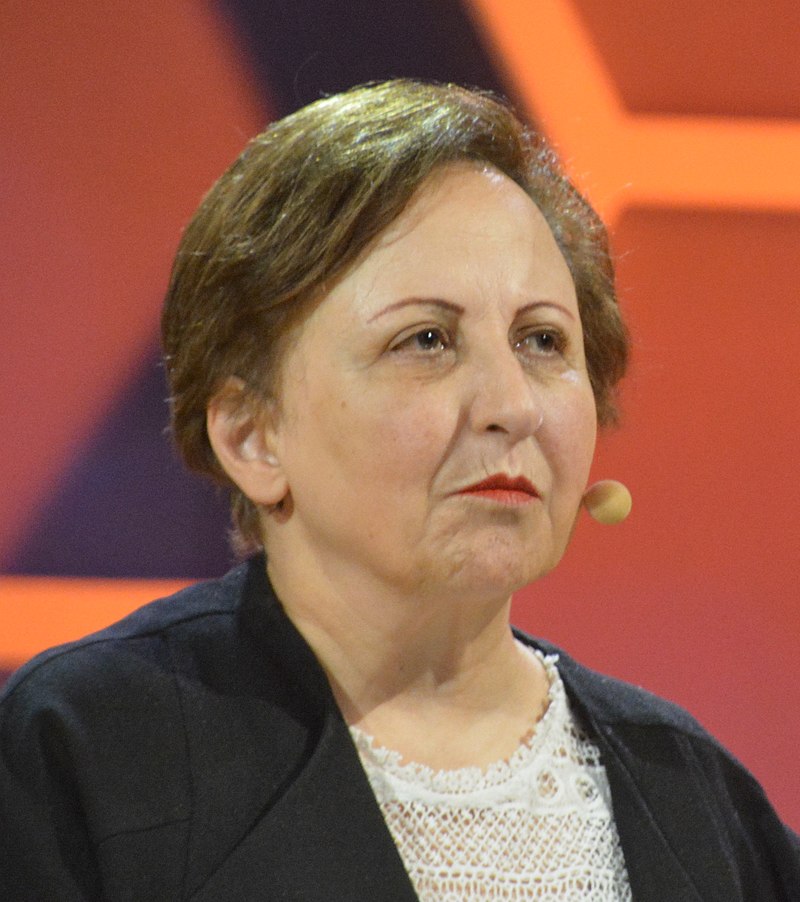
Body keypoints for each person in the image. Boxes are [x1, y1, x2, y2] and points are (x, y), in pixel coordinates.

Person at [1, 80, 798, 901]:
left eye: (541, 340)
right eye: (426, 340)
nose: (513, 405)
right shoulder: (85, 755)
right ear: (252, 437)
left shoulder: (695, 797)